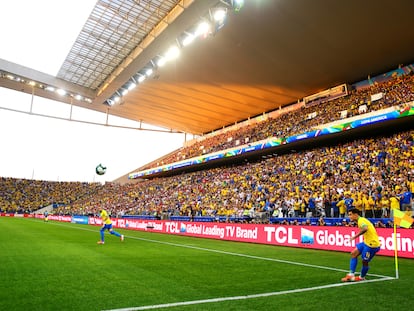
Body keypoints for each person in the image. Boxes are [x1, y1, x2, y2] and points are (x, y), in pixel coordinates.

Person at [341, 208, 381, 282]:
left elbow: (365, 228)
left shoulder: (361, 221)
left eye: (350, 215)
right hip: (366, 242)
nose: (349, 217)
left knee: (364, 261)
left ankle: (362, 277)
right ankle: (351, 274)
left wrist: (354, 237)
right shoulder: (360, 220)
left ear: (355, 214)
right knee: (353, 254)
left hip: (372, 245)